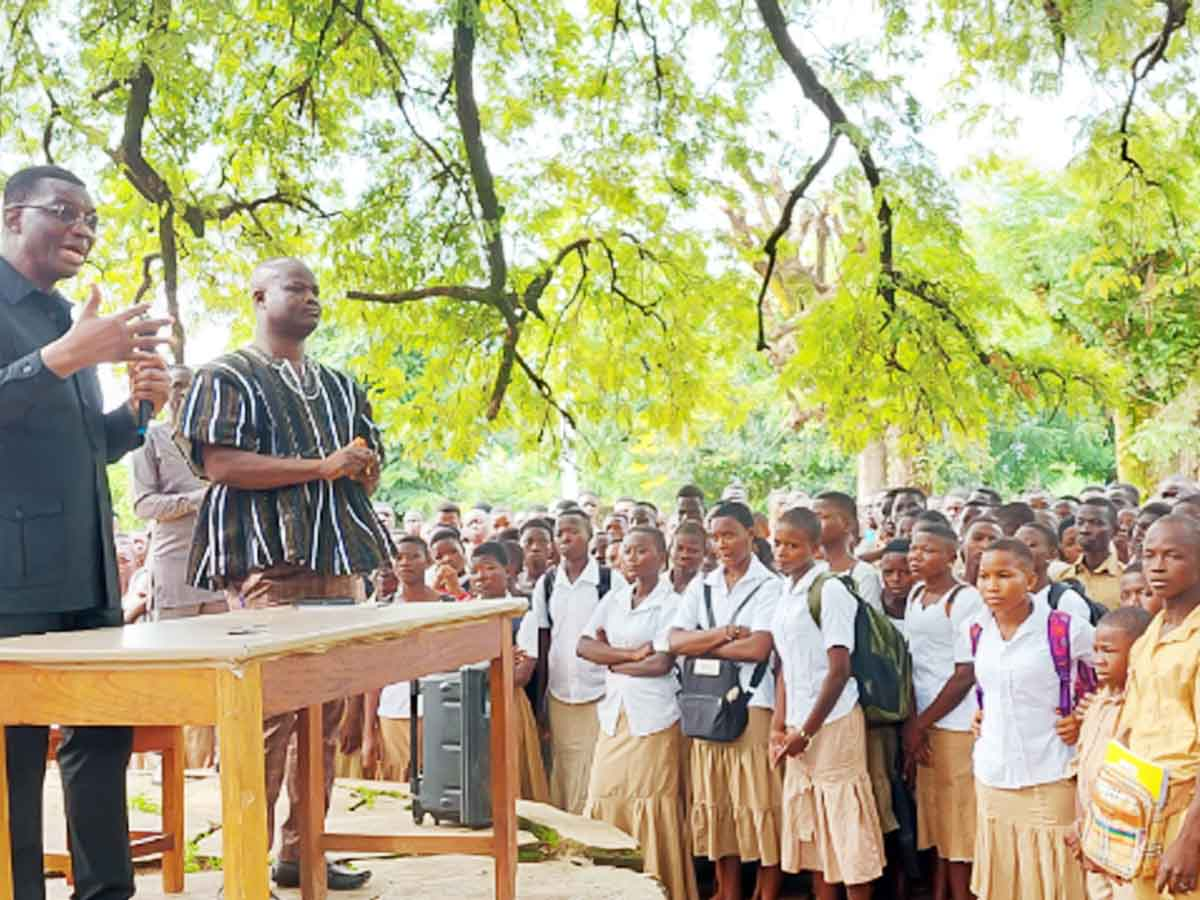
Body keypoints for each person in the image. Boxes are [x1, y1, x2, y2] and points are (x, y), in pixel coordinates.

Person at [179, 256, 393, 891]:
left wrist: (361, 467)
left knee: (324, 717)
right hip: (270, 564)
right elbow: (220, 465)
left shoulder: (338, 383)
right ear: (258, 296)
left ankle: (304, 853)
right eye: (296, 288)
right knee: (266, 718)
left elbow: (363, 458)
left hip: (338, 560)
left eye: (316, 290)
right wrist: (321, 466)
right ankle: (244, 865)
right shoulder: (227, 375)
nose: (312, 299)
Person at [0, 163, 173, 899]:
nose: (83, 228)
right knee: (14, 756)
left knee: (101, 740)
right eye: (64, 211)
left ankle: (106, 891)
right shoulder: (60, 333)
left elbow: (85, 449)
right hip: (11, 578)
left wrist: (137, 413)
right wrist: (68, 354)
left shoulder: (71, 317)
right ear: (12, 217)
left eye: (92, 219)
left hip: (90, 572)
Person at [667, 501, 784, 900]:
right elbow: (674, 641)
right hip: (707, 706)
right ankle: (728, 890)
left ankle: (767, 891)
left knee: (759, 800)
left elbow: (759, 648)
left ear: (752, 533)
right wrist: (727, 634)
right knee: (716, 801)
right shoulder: (703, 585)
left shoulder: (771, 586)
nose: (722, 544)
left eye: (730, 534)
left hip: (754, 702)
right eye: (715, 537)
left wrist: (704, 644)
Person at [966, 539, 1093, 900]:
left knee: (1058, 878)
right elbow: (987, 687)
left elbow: (1118, 675)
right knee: (1006, 878)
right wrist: (981, 713)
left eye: (1004, 575)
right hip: (993, 772)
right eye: (984, 576)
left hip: (1051, 770)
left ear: (1031, 579)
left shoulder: (1065, 629)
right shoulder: (976, 631)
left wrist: (1085, 717)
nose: (992, 586)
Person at [769, 506, 884, 900]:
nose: (782, 553)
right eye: (778, 544)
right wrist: (779, 725)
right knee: (816, 825)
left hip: (832, 722)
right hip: (799, 721)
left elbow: (838, 670)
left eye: (793, 545)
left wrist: (807, 730)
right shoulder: (785, 591)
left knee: (846, 827)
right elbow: (785, 663)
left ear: (816, 548)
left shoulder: (830, 590)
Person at [578, 527, 698, 900]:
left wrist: (610, 657)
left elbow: (661, 662)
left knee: (650, 800)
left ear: (661, 557)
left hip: (655, 717)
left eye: (641, 550)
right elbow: (584, 647)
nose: (631, 557)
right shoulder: (613, 599)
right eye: (626, 551)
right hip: (615, 715)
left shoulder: (674, 603)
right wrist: (628, 657)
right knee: (603, 791)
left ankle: (659, 887)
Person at [131, 363, 228, 766]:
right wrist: (193, 500)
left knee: (222, 665)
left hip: (219, 566)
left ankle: (219, 761)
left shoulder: (216, 442)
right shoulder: (148, 440)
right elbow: (142, 505)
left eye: (190, 387)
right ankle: (173, 766)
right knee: (178, 667)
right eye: (176, 387)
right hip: (173, 568)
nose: (183, 395)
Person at [1116, 515, 1200, 900]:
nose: (1157, 566)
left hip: (1187, 814)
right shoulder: (1152, 630)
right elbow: (1130, 731)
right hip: (1144, 809)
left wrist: (1189, 839)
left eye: (1173, 556)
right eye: (1149, 555)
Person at [522, 509, 625, 814]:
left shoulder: (609, 581)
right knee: (564, 763)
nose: (566, 538)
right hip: (560, 690)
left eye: (574, 531)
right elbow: (543, 638)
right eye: (560, 533)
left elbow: (617, 635)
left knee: (596, 765)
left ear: (590, 537)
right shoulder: (548, 583)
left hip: (600, 690)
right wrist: (541, 699)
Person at [903, 524, 983, 900]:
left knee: (959, 821)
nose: (916, 556)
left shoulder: (965, 599)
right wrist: (914, 722)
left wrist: (921, 722)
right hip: (923, 721)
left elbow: (965, 673)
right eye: (914, 549)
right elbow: (914, 663)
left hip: (953, 722)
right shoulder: (916, 593)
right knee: (936, 818)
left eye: (928, 550)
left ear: (952, 556)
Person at [1067, 605, 1150, 900]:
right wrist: (1082, 827)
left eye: (1109, 651)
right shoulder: (1097, 704)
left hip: (1125, 848)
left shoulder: (1141, 710)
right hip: (1094, 840)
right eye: (1095, 650)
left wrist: (1108, 844)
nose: (1097, 660)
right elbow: (1082, 771)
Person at [469, 542, 551, 803]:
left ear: (508, 570)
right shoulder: (465, 615)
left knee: (508, 771)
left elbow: (521, 674)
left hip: (507, 703)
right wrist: (500, 660)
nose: (482, 576)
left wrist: (477, 668)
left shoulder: (523, 613)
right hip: (470, 704)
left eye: (490, 568)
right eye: (475, 571)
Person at [362, 536, 446, 782]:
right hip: (393, 712)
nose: (405, 563)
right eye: (399, 558)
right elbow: (373, 675)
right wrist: (368, 731)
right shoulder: (382, 610)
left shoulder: (446, 606)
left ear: (428, 561)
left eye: (414, 556)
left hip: (438, 710)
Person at [814, 491, 883, 610]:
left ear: (847, 524)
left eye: (822, 517)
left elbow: (869, 623)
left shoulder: (863, 575)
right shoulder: (811, 570)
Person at [1015, 523, 1095, 621]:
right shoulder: (1002, 598)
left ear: (1052, 554)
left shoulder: (1066, 602)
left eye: (1031, 545)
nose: (1020, 551)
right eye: (1016, 545)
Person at [1058, 498, 1123, 611]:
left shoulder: (1125, 578)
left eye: (1096, 523)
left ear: (1115, 530)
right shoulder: (1061, 577)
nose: (1084, 530)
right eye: (1080, 522)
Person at [515, 517, 553, 596]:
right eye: (529, 542)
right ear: (519, 546)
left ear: (551, 548)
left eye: (543, 542)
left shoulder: (559, 580)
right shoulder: (513, 582)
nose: (535, 547)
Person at [668, 519, 707, 594]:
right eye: (679, 548)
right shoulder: (654, 584)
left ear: (704, 553)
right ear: (670, 549)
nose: (684, 555)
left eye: (693, 551)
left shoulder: (710, 588)